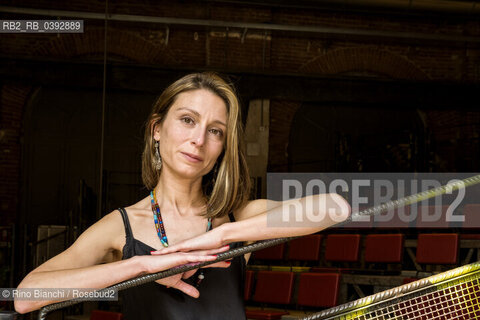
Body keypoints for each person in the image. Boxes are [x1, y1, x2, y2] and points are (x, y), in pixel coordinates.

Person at [15, 72, 350, 319]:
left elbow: (335, 207)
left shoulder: (238, 217)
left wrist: (222, 235)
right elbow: (25, 296)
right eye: (188, 120)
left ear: (222, 148)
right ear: (157, 129)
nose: (199, 139)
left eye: (215, 130)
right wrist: (141, 267)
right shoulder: (122, 226)